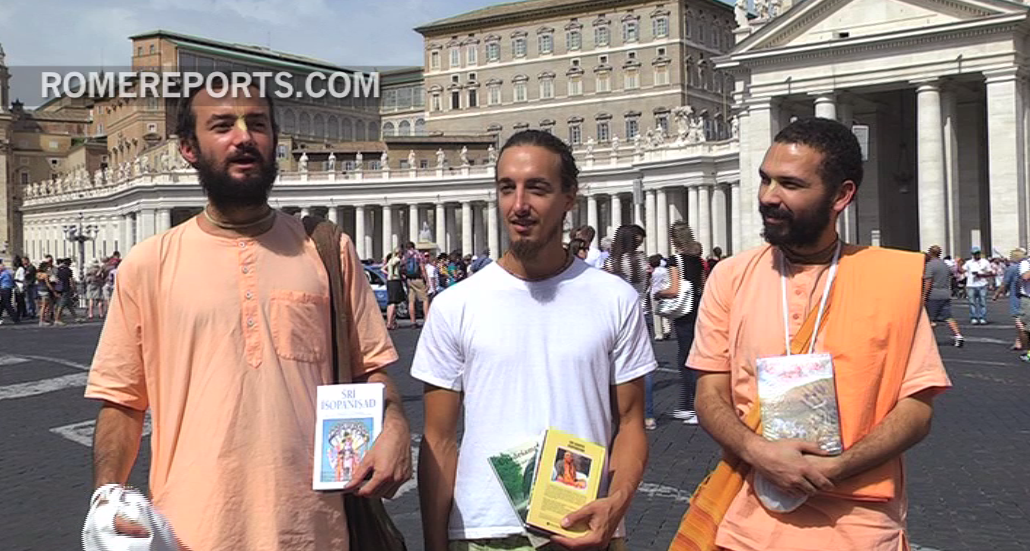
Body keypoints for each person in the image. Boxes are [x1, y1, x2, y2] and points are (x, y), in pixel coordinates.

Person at [84, 84, 411, 551]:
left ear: (275, 141)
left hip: (315, 531)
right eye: (222, 126)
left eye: (257, 124)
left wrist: (395, 423)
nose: (243, 137)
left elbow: (371, 368)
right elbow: (121, 401)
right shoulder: (147, 264)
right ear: (188, 148)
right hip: (189, 531)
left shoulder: (328, 249)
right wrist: (106, 495)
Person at [686, 118, 950, 551]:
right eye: (766, 179)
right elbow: (709, 393)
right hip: (747, 526)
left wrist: (836, 468)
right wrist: (758, 452)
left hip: (860, 528)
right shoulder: (730, 276)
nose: (768, 196)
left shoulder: (892, 279)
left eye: (790, 184)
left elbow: (917, 410)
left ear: (841, 195)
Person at [414, 130, 655, 551]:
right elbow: (438, 440)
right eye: (507, 188)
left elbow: (631, 423)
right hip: (483, 532)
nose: (519, 204)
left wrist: (616, 504)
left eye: (537, 188)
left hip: (586, 528)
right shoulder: (454, 305)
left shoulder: (615, 298)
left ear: (569, 197)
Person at [604, 224, 656, 430]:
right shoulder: (642, 260)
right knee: (643, 367)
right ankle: (648, 415)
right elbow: (647, 285)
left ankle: (616, 413)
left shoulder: (612, 262)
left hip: (617, 316)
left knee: (614, 366)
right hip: (642, 311)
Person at [656, 224, 706, 425]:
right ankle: (688, 406)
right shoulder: (699, 261)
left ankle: (695, 407)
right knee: (696, 356)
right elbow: (703, 286)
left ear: (674, 240)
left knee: (685, 358)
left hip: (684, 312)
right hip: (698, 309)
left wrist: (659, 293)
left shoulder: (675, 260)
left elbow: (674, 289)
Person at [924, 245, 964, 347]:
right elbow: (952, 275)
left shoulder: (930, 265)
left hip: (934, 294)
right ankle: (958, 335)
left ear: (930, 253)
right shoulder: (945, 264)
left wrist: (924, 296)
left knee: (930, 319)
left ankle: (928, 340)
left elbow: (928, 281)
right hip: (945, 293)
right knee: (948, 317)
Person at [997, 249, 1027, 350]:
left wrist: (997, 294)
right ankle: (1018, 341)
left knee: (1018, 320)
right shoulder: (1025, 267)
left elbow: (1005, 283)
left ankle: (1024, 341)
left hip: (1016, 296)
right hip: (1026, 295)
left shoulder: (1012, 268)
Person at [402, 241, 430, 324]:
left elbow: (402, 269)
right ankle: (427, 319)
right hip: (418, 279)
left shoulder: (405, 256)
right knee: (425, 299)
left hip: (409, 280)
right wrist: (427, 281)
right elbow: (422, 268)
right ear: (413, 247)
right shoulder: (418, 255)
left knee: (411, 301)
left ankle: (413, 321)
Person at [964, 246, 992, 324]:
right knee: (972, 302)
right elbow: (962, 270)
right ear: (972, 254)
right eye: (974, 254)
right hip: (971, 285)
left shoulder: (985, 262)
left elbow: (990, 272)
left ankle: (982, 317)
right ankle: (973, 317)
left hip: (982, 284)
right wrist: (958, 264)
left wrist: (981, 274)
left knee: (982, 302)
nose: (976, 255)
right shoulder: (968, 262)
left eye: (977, 253)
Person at [647, 254, 671, 342]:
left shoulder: (653, 273)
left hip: (654, 293)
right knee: (665, 312)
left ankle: (659, 334)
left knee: (656, 314)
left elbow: (650, 283)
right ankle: (667, 329)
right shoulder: (666, 271)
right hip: (665, 292)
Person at [385, 248, 405, 330]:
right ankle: (390, 323)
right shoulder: (397, 260)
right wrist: (394, 273)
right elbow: (395, 265)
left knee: (391, 302)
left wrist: (389, 274)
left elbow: (383, 268)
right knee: (394, 302)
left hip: (389, 281)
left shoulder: (390, 260)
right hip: (395, 281)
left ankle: (391, 322)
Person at [0, 259, 19, 325]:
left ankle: (15, 318)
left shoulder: (3, 274)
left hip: (5, 289)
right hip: (8, 289)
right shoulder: (8, 273)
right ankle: (15, 318)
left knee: (7, 304)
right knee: (2, 304)